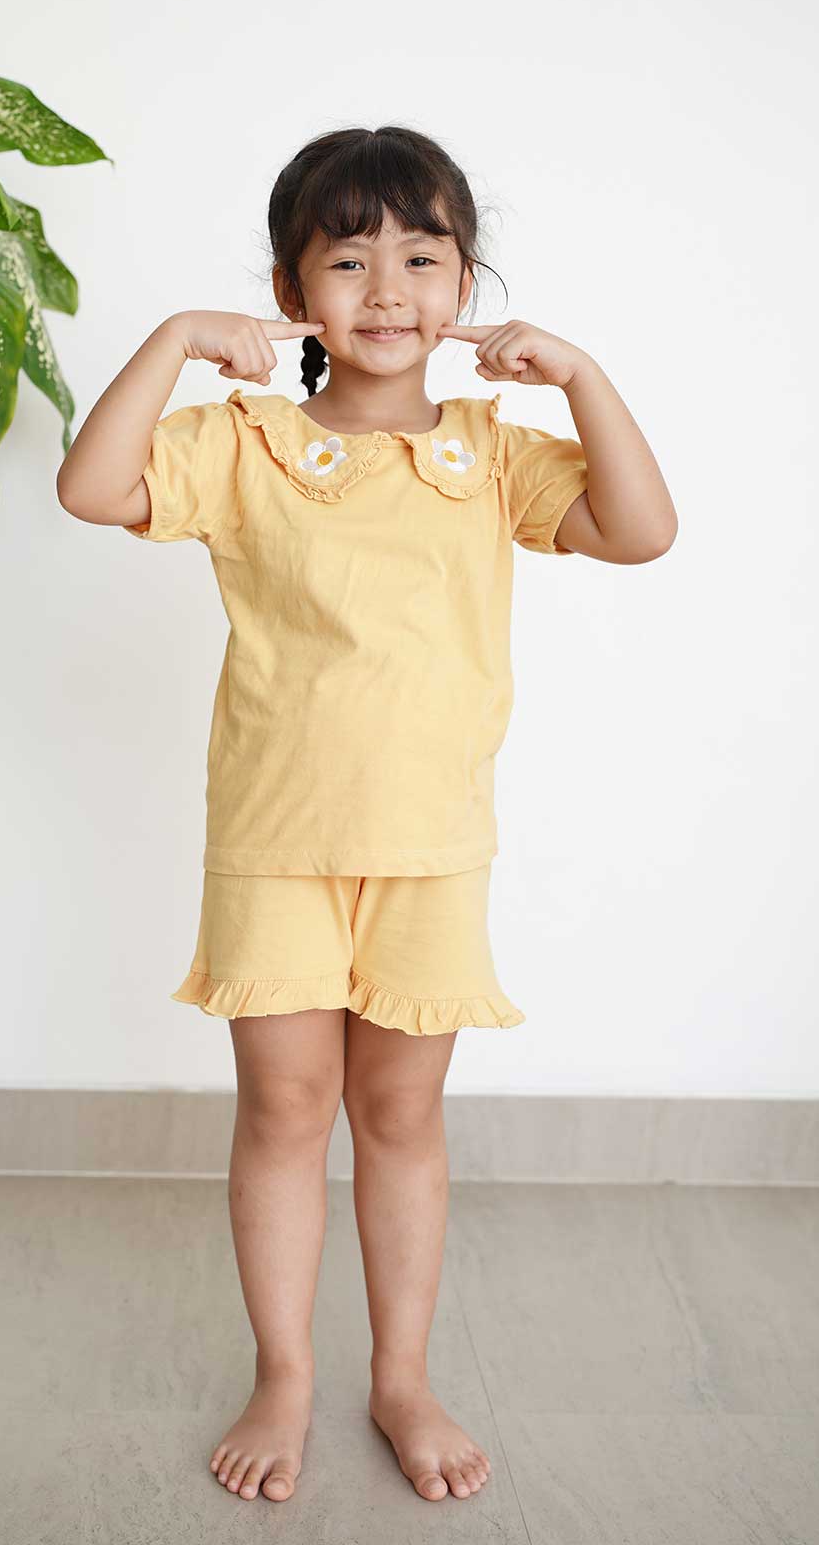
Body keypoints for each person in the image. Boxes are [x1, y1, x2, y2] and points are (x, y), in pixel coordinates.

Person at [57, 124, 678, 1505]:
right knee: (285, 1110)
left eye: (421, 257)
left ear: (465, 286)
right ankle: (285, 1372)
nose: (387, 288)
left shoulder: (492, 455)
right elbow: (91, 488)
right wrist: (174, 340)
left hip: (430, 850)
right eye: (348, 260)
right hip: (276, 844)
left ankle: (403, 1378)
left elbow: (642, 530)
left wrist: (582, 376)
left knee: (400, 1115)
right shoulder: (246, 445)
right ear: (293, 292)